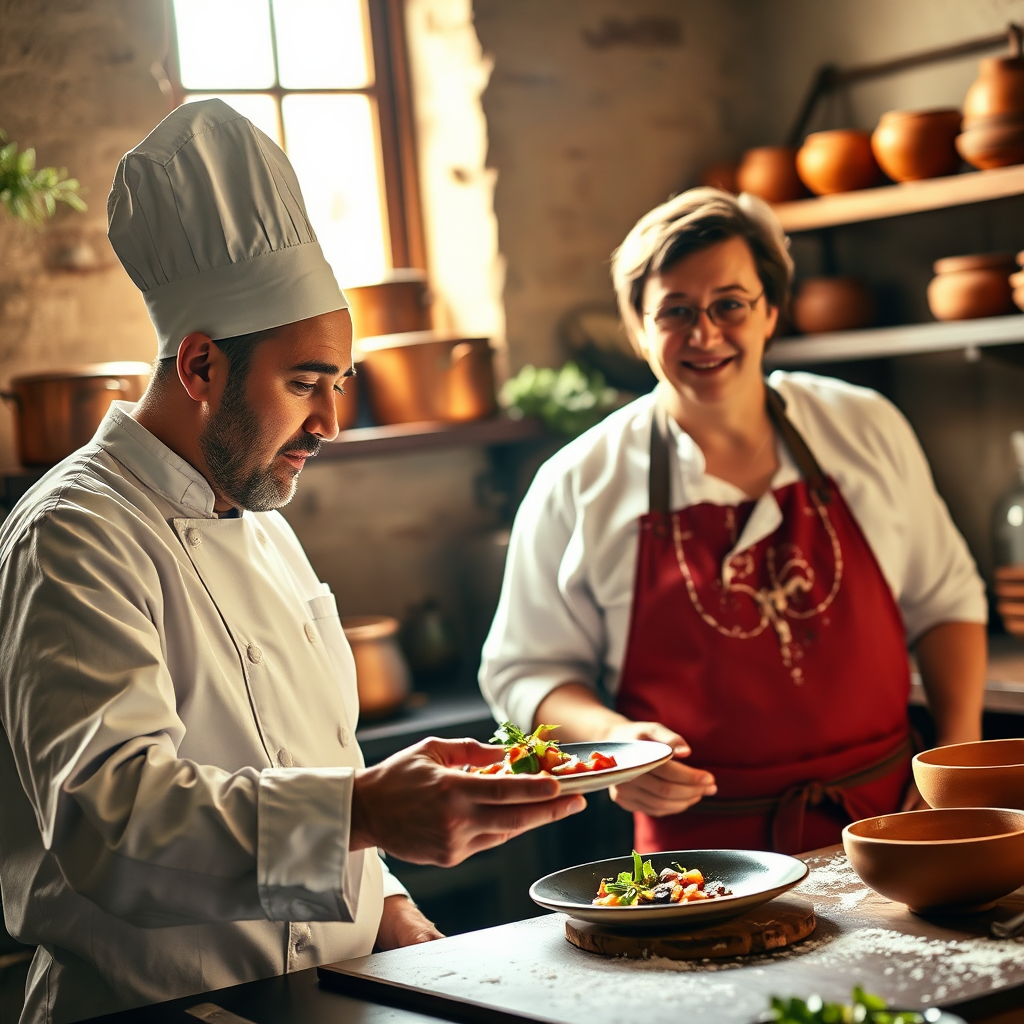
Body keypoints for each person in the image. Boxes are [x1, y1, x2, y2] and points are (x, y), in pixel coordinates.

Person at [0, 100, 585, 1024]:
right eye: (306, 382)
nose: (331, 423)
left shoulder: (264, 514)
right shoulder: (75, 535)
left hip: (331, 1001)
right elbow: (108, 823)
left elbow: (319, 760)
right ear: (199, 367)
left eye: (339, 382)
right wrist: (365, 812)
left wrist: (387, 906)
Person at [480, 187, 987, 858]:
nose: (705, 334)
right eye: (676, 312)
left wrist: (957, 768)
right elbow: (525, 672)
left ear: (771, 311)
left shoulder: (862, 425)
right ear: (636, 329)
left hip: (892, 825)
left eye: (730, 305)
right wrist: (614, 744)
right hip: (698, 859)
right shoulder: (578, 481)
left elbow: (944, 601)